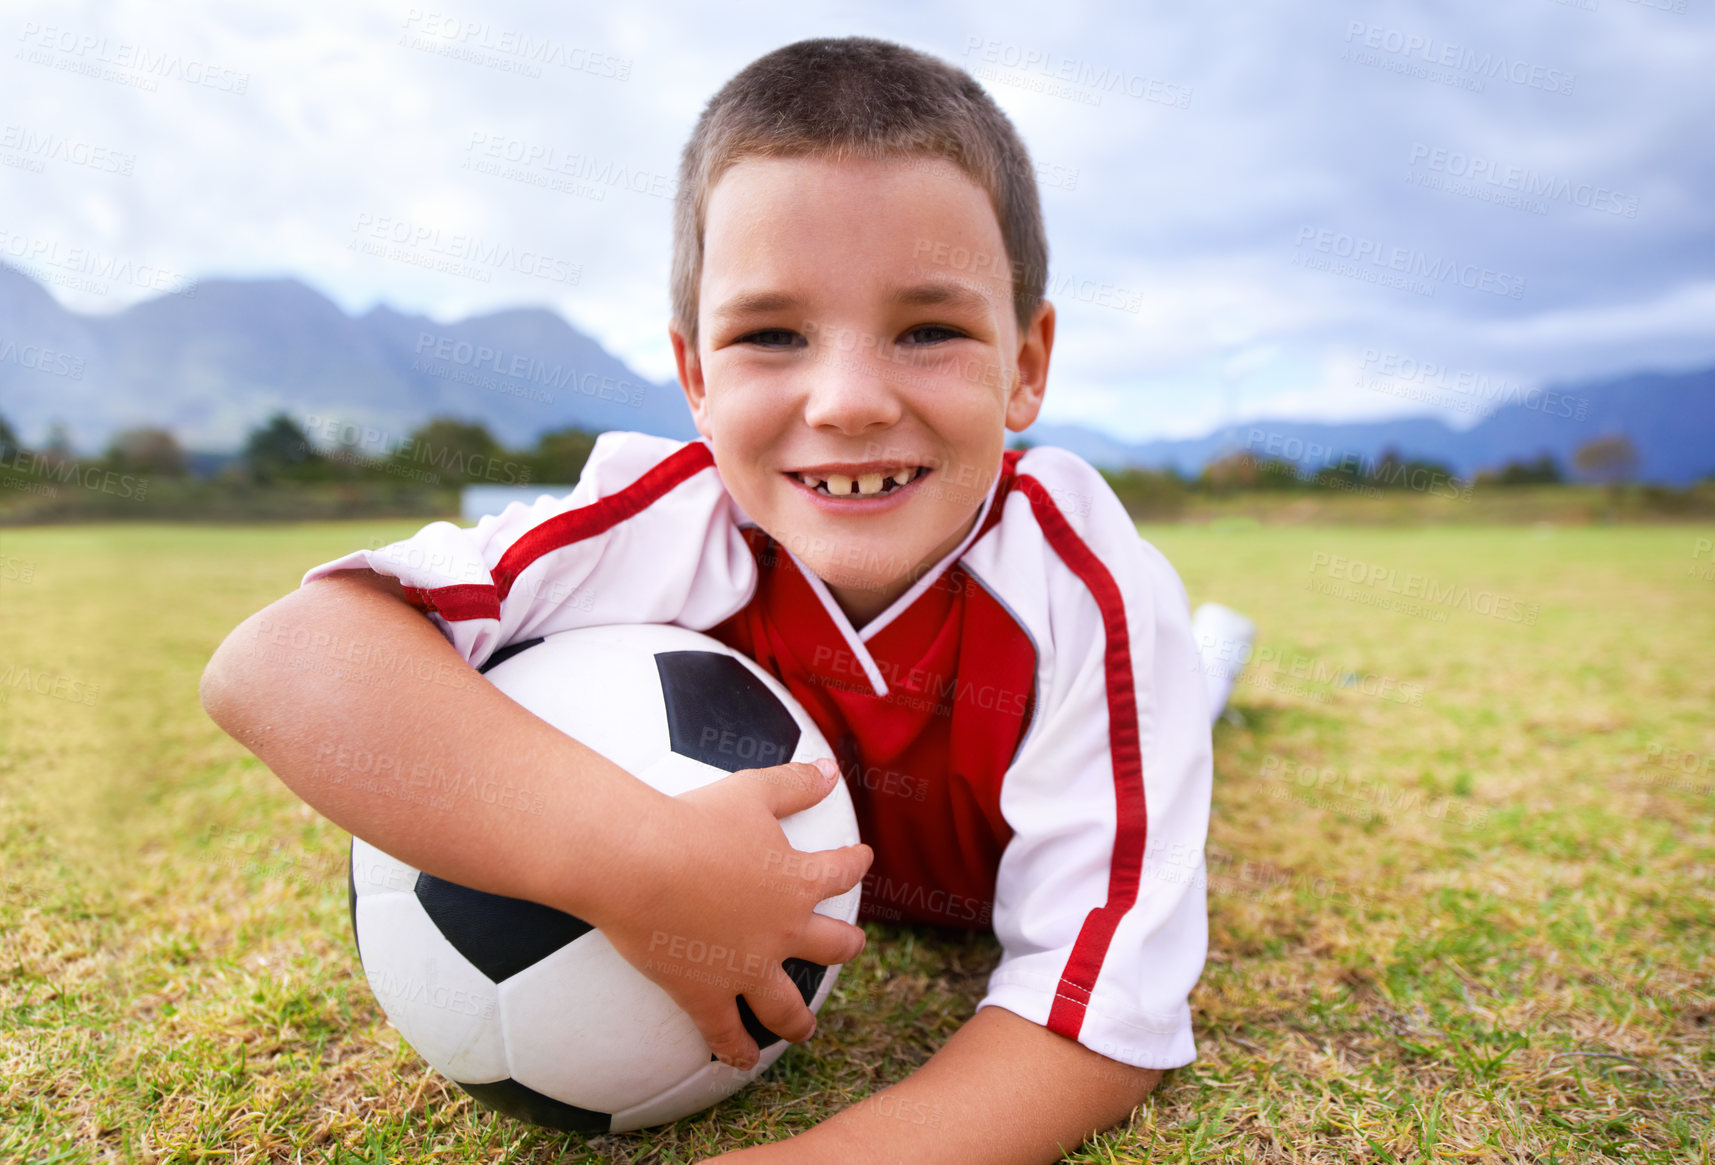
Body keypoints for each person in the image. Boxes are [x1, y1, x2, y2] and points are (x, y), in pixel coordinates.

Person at [201, 36, 1244, 1163]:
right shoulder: (667, 520)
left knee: (1183, 691)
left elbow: (1097, 1018)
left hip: (1105, 725)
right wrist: (638, 859)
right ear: (694, 373)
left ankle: (1211, 664)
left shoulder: (1086, 596)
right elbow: (280, 660)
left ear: (1027, 364)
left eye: (928, 330)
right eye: (770, 335)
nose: (845, 400)